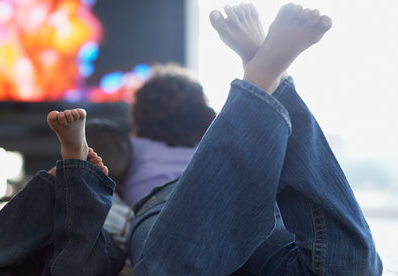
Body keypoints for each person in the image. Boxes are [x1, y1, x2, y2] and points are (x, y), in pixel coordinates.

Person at [129, 3, 382, 276]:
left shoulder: (133, 146)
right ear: (204, 115)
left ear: (139, 121)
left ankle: (261, 76)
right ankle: (268, 78)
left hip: (174, 209)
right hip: (253, 208)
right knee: (351, 268)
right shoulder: (224, 135)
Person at [0, 112, 130, 275]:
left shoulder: (123, 206)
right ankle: (78, 177)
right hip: (63, 244)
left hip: (77, 241)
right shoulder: (124, 209)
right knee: (74, 265)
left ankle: (72, 178)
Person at [120, 64, 217, 205]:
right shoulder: (210, 150)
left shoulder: (132, 148)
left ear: (140, 114)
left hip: (153, 214)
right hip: (207, 208)